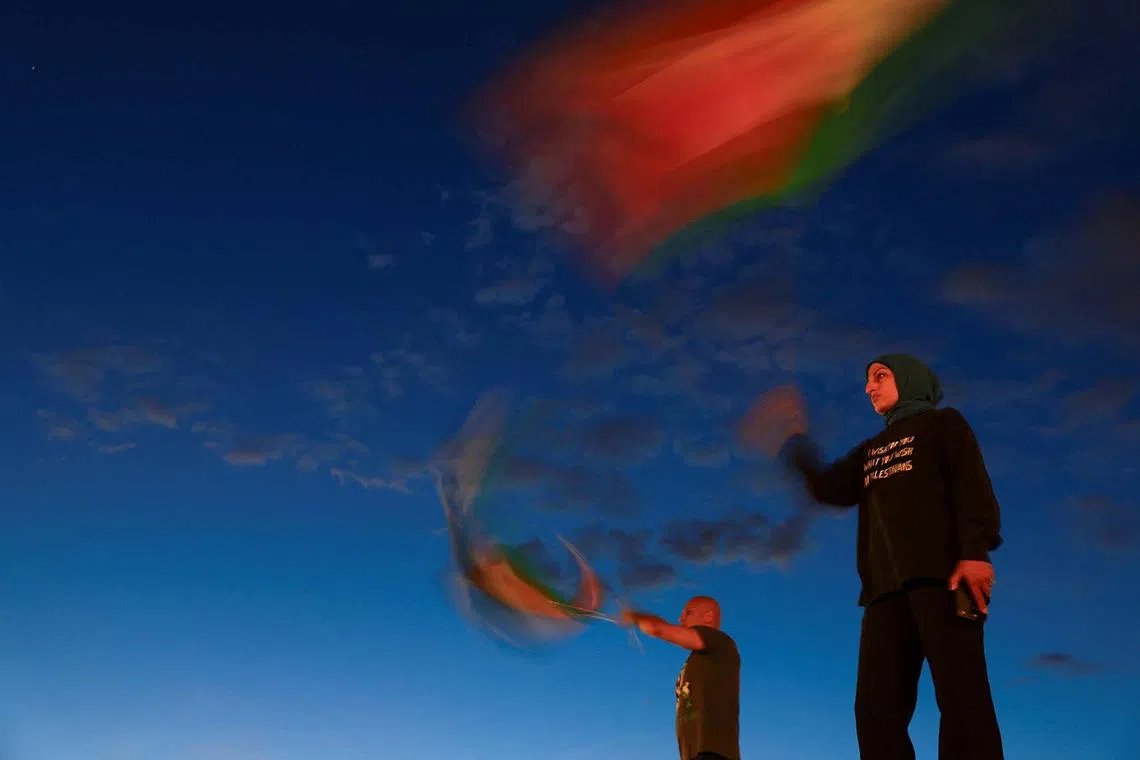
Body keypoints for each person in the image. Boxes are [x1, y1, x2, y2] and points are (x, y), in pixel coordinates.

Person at [740, 353, 1004, 760]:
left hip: (945, 578)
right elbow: (828, 488)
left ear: (910, 380)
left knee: (961, 698)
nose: (869, 387)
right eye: (867, 380)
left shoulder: (943, 424)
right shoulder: (870, 450)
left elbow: (971, 486)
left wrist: (975, 551)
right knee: (876, 711)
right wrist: (795, 442)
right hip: (883, 592)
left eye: (880, 376)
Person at [622, 596, 741, 760]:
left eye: (688, 612)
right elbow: (663, 627)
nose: (681, 618)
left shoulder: (720, 641)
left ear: (708, 617)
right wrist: (640, 616)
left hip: (713, 754)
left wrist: (636, 617)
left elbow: (658, 629)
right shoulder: (702, 658)